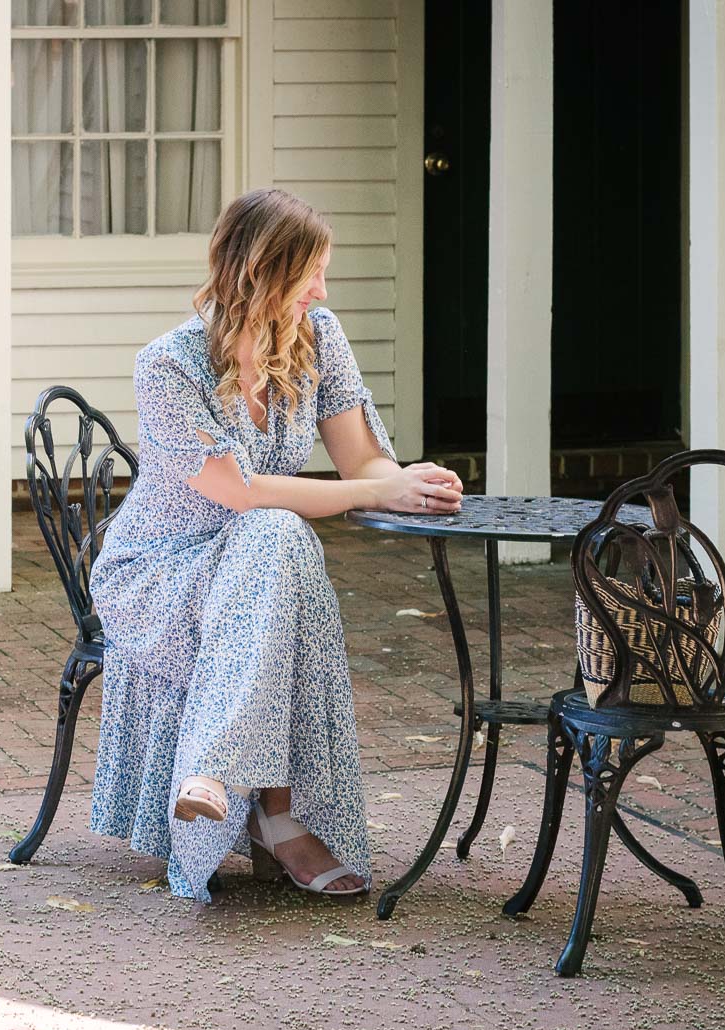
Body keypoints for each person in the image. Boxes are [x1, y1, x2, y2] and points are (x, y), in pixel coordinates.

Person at [88, 188, 464, 902]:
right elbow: (239, 492)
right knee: (275, 531)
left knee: (276, 542)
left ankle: (217, 772)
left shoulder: (318, 337)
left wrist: (405, 481)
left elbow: (363, 461)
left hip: (256, 566)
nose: (321, 291)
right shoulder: (167, 367)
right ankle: (278, 815)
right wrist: (369, 493)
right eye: (310, 274)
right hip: (162, 574)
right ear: (260, 274)